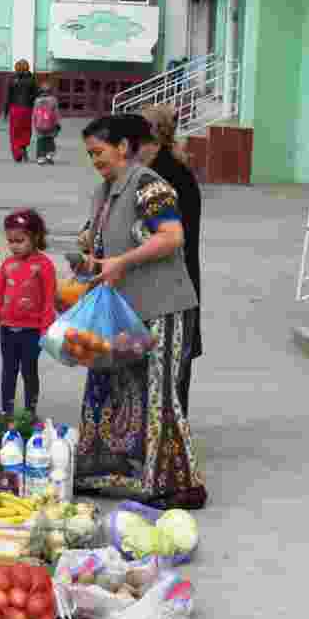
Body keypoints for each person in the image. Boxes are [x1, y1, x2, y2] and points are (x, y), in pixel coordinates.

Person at [72, 114, 206, 510]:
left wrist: (123, 261)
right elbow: (101, 242)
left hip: (163, 307)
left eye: (99, 152)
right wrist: (89, 259)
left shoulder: (150, 185)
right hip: (122, 309)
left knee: (157, 393)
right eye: (90, 154)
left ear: (123, 148)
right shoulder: (104, 190)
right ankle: (109, 472)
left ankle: (178, 485)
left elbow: (172, 236)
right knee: (109, 386)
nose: (95, 160)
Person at [137, 105, 203, 414]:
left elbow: (175, 236)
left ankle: (170, 431)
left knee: (172, 362)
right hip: (152, 278)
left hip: (173, 278)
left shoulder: (172, 176)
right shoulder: (148, 170)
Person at [0, 208, 56, 417]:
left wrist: (46, 328)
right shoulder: (7, 264)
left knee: (29, 372)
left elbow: (49, 299)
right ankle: (5, 411)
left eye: (20, 240)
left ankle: (29, 412)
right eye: (11, 241)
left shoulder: (44, 265)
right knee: (8, 372)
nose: (14, 246)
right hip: (7, 328)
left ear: (35, 237)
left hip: (32, 331)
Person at [4, 60, 38, 163]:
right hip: (27, 109)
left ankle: (17, 153)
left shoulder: (12, 79)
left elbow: (9, 97)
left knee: (14, 132)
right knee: (26, 129)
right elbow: (36, 94)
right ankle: (23, 147)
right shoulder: (31, 79)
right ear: (27, 68)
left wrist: (5, 112)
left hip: (14, 109)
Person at [32, 80, 61, 165]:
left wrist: (35, 124)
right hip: (50, 124)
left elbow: (34, 114)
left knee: (40, 141)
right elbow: (56, 113)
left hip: (39, 124)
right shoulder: (53, 100)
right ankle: (49, 155)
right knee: (50, 140)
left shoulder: (37, 100)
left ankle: (40, 158)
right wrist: (57, 124)